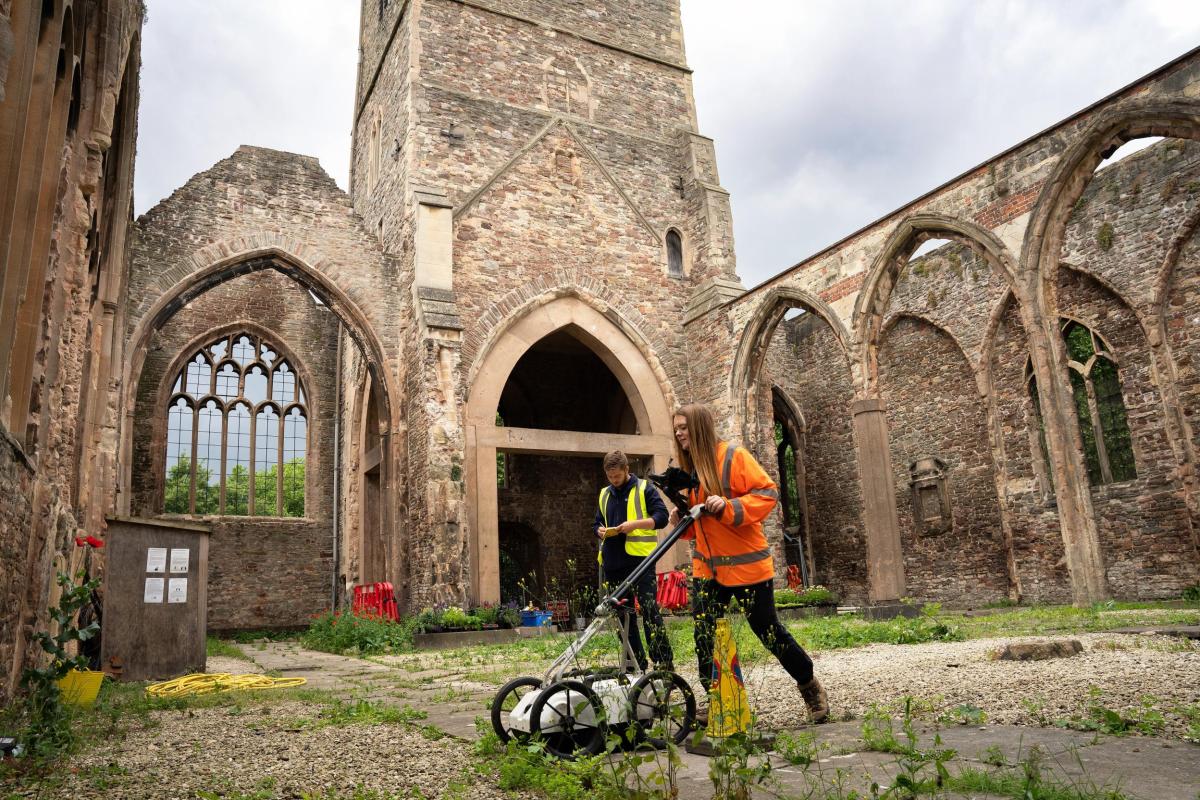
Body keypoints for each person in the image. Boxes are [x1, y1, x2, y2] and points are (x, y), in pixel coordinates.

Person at [668, 403, 828, 724]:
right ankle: (719, 701)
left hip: (747, 567)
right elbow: (701, 529)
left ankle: (809, 686)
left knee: (768, 632)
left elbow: (768, 494)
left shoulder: (732, 457)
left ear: (699, 427)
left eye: (684, 427)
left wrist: (728, 505)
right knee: (705, 637)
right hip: (708, 569)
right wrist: (681, 520)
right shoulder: (690, 470)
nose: (679, 433)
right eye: (676, 429)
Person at [593, 449, 674, 672]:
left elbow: (662, 517)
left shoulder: (644, 488)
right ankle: (635, 664)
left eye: (617, 476)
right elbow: (597, 522)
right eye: (610, 477)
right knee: (622, 616)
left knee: (649, 611)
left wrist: (634, 525)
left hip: (640, 562)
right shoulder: (604, 494)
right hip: (613, 563)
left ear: (627, 469)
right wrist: (599, 530)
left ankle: (663, 661)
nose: (614, 480)